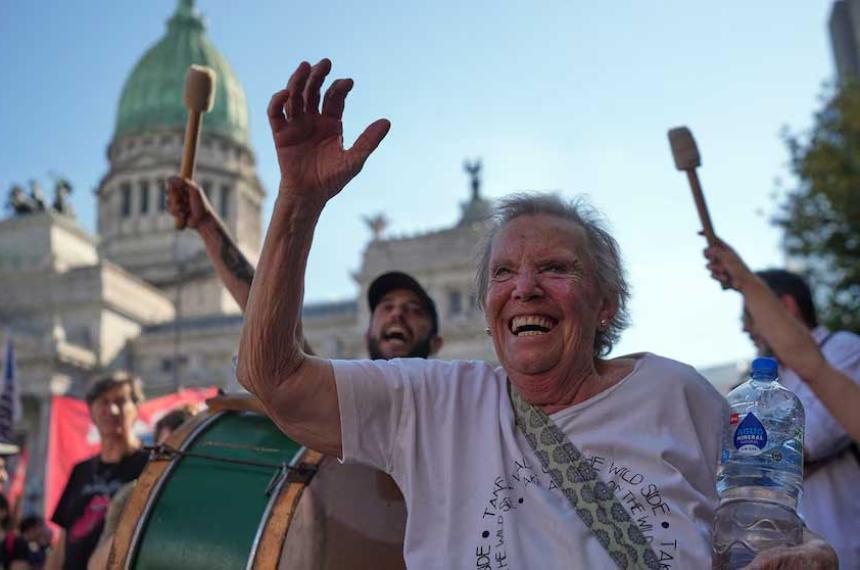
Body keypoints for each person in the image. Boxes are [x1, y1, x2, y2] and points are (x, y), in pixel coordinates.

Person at [232, 58, 838, 568]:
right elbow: (274, 379)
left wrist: (811, 551)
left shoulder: (676, 392)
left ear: (606, 305)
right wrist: (298, 203)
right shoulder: (429, 403)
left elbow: (770, 523)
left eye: (554, 268)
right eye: (502, 273)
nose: (523, 288)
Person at [166, 175, 443, 569]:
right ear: (366, 333)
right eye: (386, 307)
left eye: (414, 310)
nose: (398, 312)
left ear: (436, 345)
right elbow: (270, 317)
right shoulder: (341, 401)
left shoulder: (451, 408)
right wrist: (208, 225)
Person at [705, 238, 860, 568]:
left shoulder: (842, 350)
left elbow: (811, 441)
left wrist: (745, 459)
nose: (745, 328)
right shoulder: (766, 384)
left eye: (752, 315)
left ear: (785, 308)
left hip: (842, 547)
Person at [47, 373, 148, 570]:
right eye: (104, 402)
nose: (111, 410)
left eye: (120, 401)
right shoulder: (81, 471)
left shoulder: (150, 468)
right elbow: (63, 540)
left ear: (136, 409)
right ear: (92, 412)